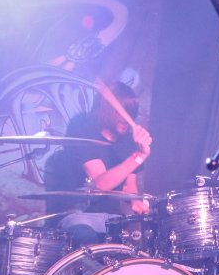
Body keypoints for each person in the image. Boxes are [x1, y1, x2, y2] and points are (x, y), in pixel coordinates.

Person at [44, 81, 154, 246]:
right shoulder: (82, 129)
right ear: (106, 110)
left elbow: (128, 188)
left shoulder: (129, 141)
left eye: (132, 112)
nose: (128, 118)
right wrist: (139, 155)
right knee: (85, 238)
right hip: (78, 215)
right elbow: (101, 184)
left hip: (112, 219)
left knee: (137, 246)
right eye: (123, 112)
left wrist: (136, 201)